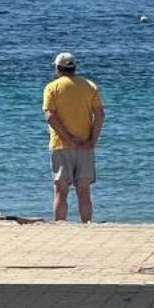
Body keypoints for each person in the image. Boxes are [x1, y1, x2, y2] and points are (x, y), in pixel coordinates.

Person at [42, 50, 104, 223]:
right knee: (84, 191)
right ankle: (87, 225)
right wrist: (92, 141)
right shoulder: (90, 86)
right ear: (74, 68)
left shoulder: (52, 87)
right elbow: (100, 115)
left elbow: (50, 117)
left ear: (58, 68)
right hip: (85, 145)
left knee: (61, 191)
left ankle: (60, 226)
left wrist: (68, 139)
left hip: (61, 145)